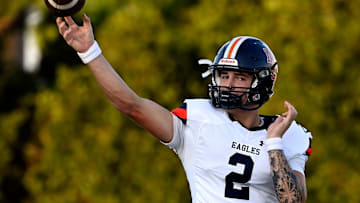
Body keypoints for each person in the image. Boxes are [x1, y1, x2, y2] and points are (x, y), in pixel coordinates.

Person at [56, 14, 312, 203]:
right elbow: (130, 105)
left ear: (262, 82)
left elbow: (294, 201)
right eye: (223, 76)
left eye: (239, 78)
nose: (227, 84)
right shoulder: (198, 120)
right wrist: (90, 51)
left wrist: (274, 144)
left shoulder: (287, 134)